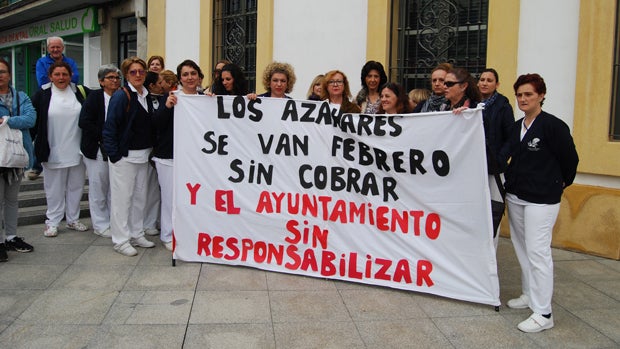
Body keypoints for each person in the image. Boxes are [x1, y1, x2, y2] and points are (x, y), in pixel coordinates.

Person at [500, 73, 579, 333]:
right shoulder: (515, 127)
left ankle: (544, 313)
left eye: (528, 94)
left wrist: (559, 184)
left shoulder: (553, 126)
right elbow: (503, 156)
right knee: (522, 248)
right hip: (516, 196)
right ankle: (529, 294)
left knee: (538, 252)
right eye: (519, 95)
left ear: (541, 95)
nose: (523, 99)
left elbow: (570, 161)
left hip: (542, 200)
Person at [102, 56, 156, 256]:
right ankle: (120, 239)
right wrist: (115, 156)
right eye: (133, 72)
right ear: (126, 75)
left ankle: (136, 232)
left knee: (139, 198)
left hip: (143, 156)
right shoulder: (121, 96)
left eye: (141, 71)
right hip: (124, 157)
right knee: (121, 200)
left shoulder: (147, 95)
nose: (138, 75)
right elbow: (110, 128)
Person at [31, 61, 90, 237]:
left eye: (64, 74)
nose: (61, 78)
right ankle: (53, 222)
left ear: (71, 75)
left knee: (76, 187)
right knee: (54, 189)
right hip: (53, 150)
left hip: (77, 150)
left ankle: (73, 219)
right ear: (50, 77)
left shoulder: (79, 92)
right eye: (57, 74)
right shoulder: (42, 95)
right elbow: (33, 121)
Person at [153, 59, 205, 251]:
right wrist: (167, 107)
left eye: (193, 73)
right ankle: (168, 235)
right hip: (169, 158)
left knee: (191, 199)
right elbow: (156, 124)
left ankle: (188, 233)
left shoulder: (205, 98)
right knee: (169, 199)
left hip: (194, 160)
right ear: (180, 78)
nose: (190, 78)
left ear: (199, 77)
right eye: (185, 74)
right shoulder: (171, 97)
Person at [78, 65, 121, 239]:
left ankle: (114, 221)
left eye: (117, 77)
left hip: (116, 149)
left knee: (114, 187)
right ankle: (100, 224)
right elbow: (84, 122)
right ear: (101, 81)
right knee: (99, 187)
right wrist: (105, 134)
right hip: (96, 148)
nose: (115, 80)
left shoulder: (121, 96)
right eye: (110, 77)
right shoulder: (94, 98)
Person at [0, 58, 36, 259]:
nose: (0, 76)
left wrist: (6, 120)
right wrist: (16, 122)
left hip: (17, 156)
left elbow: (31, 119)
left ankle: (11, 237)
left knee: (12, 200)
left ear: (9, 74)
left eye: (3, 71)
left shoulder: (20, 96)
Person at [30, 36, 80, 180]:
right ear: (48, 48)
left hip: (68, 95)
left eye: (58, 47)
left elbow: (76, 78)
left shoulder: (70, 62)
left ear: (62, 48)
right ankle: (37, 165)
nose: (55, 49)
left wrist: (59, 79)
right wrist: (60, 80)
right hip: (47, 97)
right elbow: (42, 80)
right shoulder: (42, 62)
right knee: (43, 130)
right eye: (52, 47)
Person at [478, 68, 515, 245]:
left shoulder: (503, 107)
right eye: (482, 79)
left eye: (489, 80)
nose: (485, 83)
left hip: (495, 169)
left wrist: (500, 159)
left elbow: (511, 137)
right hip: (475, 168)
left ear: (497, 84)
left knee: (493, 211)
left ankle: (491, 253)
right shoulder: (472, 105)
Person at [142, 71, 163, 237]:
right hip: (146, 149)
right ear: (152, 85)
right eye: (160, 81)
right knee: (147, 189)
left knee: (156, 189)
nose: (163, 84)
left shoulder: (162, 99)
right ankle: (146, 222)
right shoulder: (145, 100)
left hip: (158, 149)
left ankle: (153, 220)